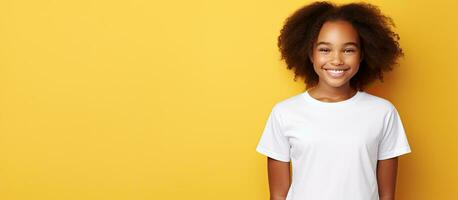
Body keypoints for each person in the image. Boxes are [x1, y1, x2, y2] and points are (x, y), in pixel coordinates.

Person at [255, 1, 412, 200]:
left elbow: (387, 196)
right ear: (310, 53)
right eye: (324, 49)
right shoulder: (284, 113)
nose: (337, 60)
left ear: (362, 54)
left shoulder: (383, 113)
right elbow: (278, 196)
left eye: (348, 50)